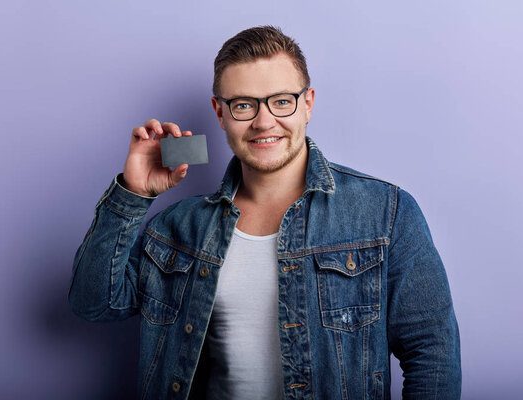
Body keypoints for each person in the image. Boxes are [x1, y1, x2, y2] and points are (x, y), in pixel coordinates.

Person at [68, 25, 461, 400]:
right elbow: (94, 303)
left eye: (281, 101)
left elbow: (432, 353)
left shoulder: (385, 213)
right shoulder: (179, 227)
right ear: (219, 113)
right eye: (243, 105)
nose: (264, 121)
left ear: (307, 104)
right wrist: (133, 193)